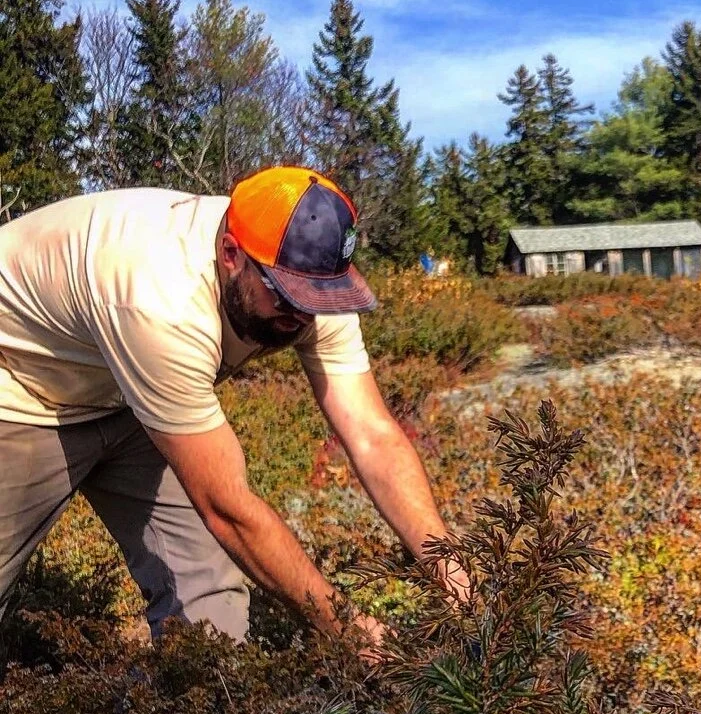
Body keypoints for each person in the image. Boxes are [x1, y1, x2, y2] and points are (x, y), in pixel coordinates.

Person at [0, 165, 467, 656]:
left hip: (129, 394)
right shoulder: (161, 297)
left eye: (317, 299)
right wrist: (350, 630)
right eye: (286, 296)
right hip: (21, 389)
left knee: (210, 613)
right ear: (230, 254)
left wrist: (457, 580)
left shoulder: (312, 285)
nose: (303, 316)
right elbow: (228, 509)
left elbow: (373, 435)